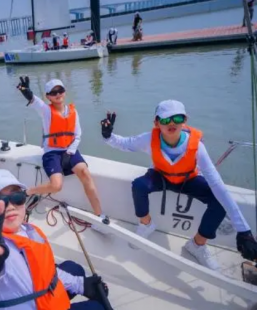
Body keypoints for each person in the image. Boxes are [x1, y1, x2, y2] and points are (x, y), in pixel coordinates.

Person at [100, 100, 257, 270]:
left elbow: (217, 183)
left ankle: (197, 245)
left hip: (188, 179)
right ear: (156, 123)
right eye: (166, 120)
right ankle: (146, 224)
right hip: (161, 176)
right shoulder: (148, 139)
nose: (172, 123)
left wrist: (244, 231)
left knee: (218, 202)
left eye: (177, 118)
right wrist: (108, 135)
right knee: (139, 185)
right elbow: (125, 143)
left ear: (185, 120)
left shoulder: (197, 146)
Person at [0, 169, 109, 310]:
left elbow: (45, 270)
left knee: (74, 268)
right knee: (98, 307)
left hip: (43, 295)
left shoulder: (27, 230)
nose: (10, 206)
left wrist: (80, 285)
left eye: (17, 197)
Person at [16, 76, 106, 232]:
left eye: (60, 90)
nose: (58, 94)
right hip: (52, 153)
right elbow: (35, 102)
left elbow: (77, 134)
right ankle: (27, 192)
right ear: (48, 96)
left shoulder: (73, 111)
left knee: (84, 172)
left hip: (70, 149)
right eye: (53, 92)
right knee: (56, 186)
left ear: (64, 92)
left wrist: (70, 151)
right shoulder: (46, 111)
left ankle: (99, 216)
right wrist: (27, 92)